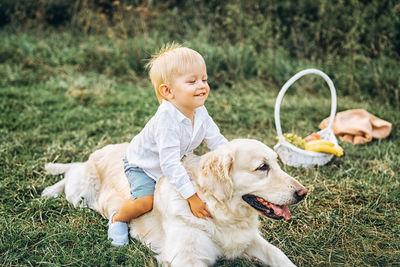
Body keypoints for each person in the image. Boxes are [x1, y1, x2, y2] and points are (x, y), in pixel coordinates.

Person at [107, 43, 228, 246]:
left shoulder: (201, 111)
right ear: (168, 92)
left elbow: (217, 141)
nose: (202, 85)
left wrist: (233, 157)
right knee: (146, 202)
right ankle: (117, 219)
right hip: (144, 166)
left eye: (204, 79)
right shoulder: (166, 119)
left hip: (174, 162)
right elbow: (169, 163)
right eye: (192, 81)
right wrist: (192, 197)